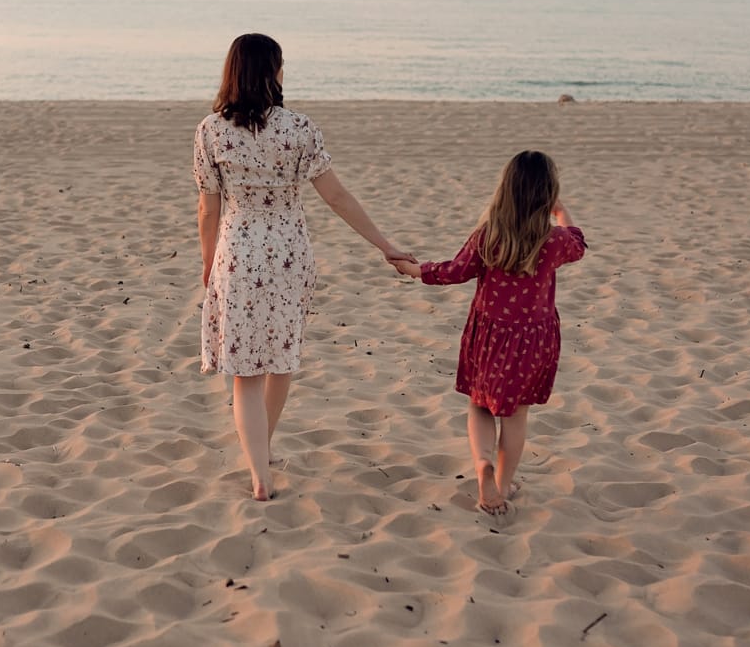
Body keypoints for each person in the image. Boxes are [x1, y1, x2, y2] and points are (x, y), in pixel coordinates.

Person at [194, 33, 411, 501]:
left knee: (245, 373)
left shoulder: (210, 130)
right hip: (289, 254)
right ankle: (263, 450)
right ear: (271, 71)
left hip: (238, 253)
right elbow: (336, 196)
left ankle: (258, 472)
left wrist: (209, 263)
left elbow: (208, 210)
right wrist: (384, 245)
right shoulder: (299, 129)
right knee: (280, 359)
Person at [390, 150, 585, 516]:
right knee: (515, 414)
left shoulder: (488, 235)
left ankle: (482, 464)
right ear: (548, 194)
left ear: (504, 192)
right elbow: (577, 242)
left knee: (479, 404)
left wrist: (416, 270)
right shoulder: (553, 241)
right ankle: (503, 483)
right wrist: (560, 212)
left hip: (490, 337)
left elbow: (454, 270)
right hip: (532, 341)